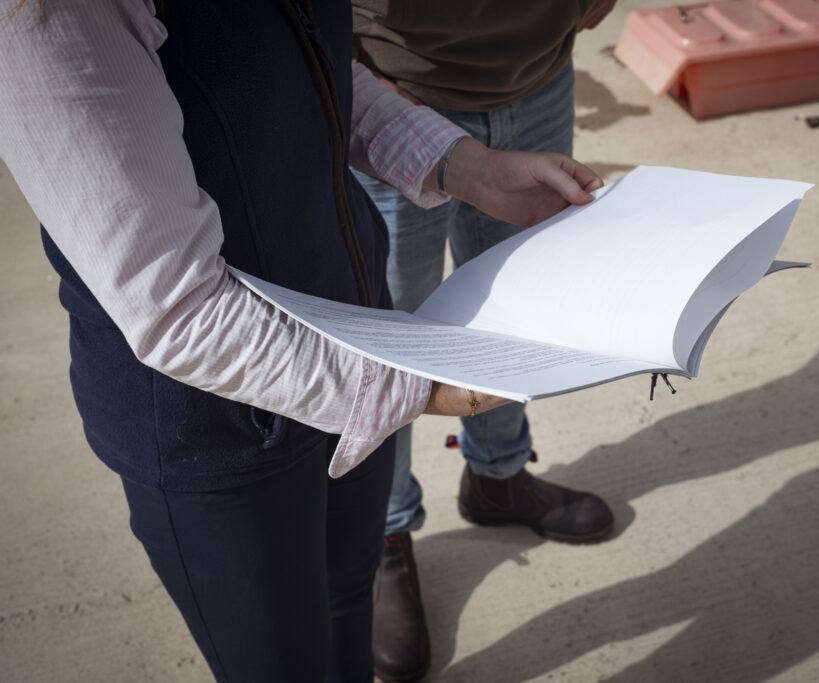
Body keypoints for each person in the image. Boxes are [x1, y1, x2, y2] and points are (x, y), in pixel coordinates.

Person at [0, 1, 603, 681]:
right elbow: (175, 306)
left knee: (349, 595)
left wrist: (465, 166)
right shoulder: (52, 14)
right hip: (217, 425)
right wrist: (421, 385)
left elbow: (310, 71)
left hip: (354, 335)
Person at [350, 1, 618, 679]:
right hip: (391, 90)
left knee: (517, 308)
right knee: (392, 335)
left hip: (538, 76)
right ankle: (382, 527)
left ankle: (497, 477)